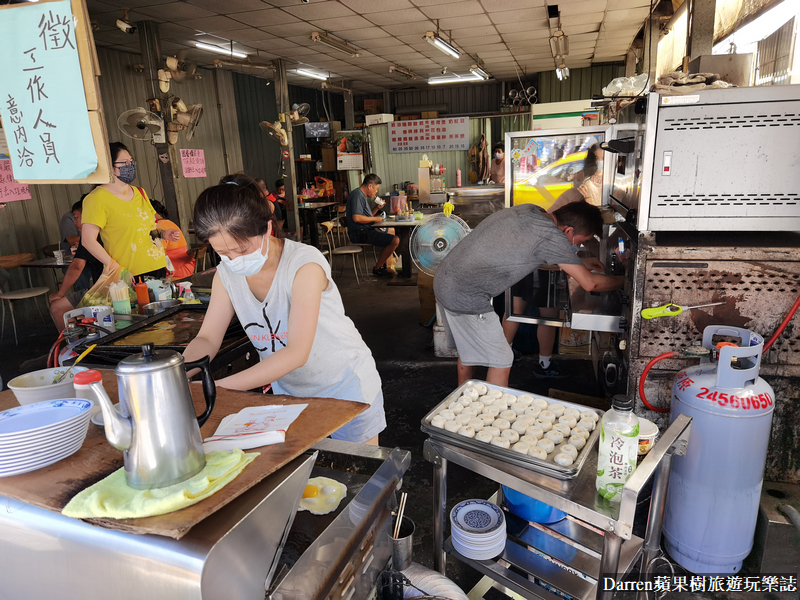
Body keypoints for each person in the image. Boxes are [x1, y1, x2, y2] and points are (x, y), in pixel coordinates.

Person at [182, 175, 386, 445]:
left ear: (267, 228)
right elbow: (207, 338)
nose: (233, 260)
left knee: (358, 470)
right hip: (290, 396)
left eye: (241, 250)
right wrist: (176, 376)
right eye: (223, 253)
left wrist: (212, 388)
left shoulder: (304, 265)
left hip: (346, 388)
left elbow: (296, 353)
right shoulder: (226, 275)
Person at [434, 202, 624, 387]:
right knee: (502, 359)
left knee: (469, 347)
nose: (579, 247)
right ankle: (488, 407)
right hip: (465, 294)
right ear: (568, 230)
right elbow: (590, 283)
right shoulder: (551, 235)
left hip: (446, 278)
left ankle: (463, 396)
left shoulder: (532, 210)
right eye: (581, 242)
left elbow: (537, 259)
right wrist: (627, 280)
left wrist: (579, 264)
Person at [81, 142, 180, 279]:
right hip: (129, 273)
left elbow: (149, 225)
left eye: (131, 161)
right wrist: (116, 268)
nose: (130, 166)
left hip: (157, 267)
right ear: (109, 166)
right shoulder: (96, 199)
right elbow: (88, 241)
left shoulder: (139, 192)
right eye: (124, 162)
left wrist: (163, 233)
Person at [49, 198, 105, 331]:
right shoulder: (109, 233)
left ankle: (74, 342)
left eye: (76, 217)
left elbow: (76, 267)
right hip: (120, 286)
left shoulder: (89, 239)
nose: (75, 223)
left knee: (57, 306)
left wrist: (60, 293)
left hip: (102, 293)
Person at [345, 174, 399, 278]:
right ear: (369, 186)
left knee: (391, 230)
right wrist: (376, 219)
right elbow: (357, 218)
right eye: (376, 189)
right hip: (360, 233)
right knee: (395, 240)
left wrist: (377, 208)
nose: (376, 192)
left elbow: (366, 217)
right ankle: (378, 268)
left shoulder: (361, 195)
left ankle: (387, 264)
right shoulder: (357, 196)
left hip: (365, 229)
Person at [150, 200, 195, 280]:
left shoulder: (158, 226)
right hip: (187, 266)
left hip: (176, 270)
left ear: (154, 213)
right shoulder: (170, 223)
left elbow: (161, 254)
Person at [59, 198, 91, 291]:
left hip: (91, 263)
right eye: (75, 217)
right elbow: (76, 267)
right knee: (81, 276)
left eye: (76, 218)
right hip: (74, 261)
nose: (75, 222)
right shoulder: (68, 218)